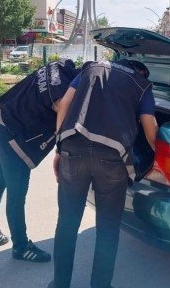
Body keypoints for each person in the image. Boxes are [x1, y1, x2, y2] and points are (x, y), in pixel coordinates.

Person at [49, 59, 158, 288]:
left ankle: (59, 284)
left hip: (72, 149)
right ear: (142, 71)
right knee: (107, 228)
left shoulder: (90, 69)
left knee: (67, 223)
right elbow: (150, 125)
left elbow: (65, 104)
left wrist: (60, 146)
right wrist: (158, 156)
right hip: (112, 158)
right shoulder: (142, 84)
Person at [0, 58, 80, 262]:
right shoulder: (63, 93)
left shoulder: (61, 66)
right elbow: (63, 107)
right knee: (17, 191)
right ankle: (21, 246)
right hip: (12, 135)